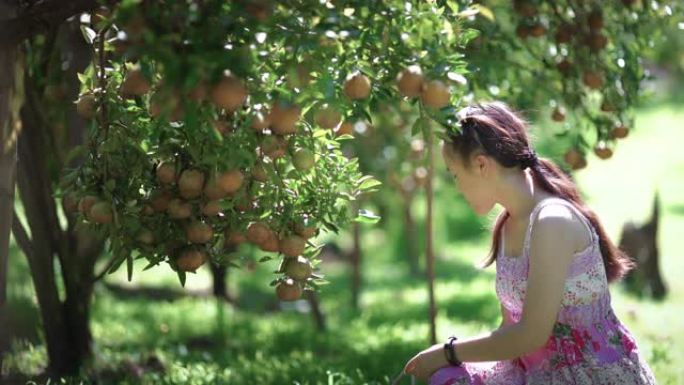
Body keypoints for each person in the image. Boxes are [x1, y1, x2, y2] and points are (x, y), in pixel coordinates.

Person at [402, 101, 657, 384]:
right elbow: (510, 330)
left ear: (481, 164)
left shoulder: (552, 221)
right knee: (446, 378)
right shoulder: (507, 225)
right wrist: (448, 362)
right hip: (536, 373)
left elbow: (532, 334)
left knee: (445, 370)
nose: (457, 186)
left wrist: (447, 351)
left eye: (455, 174)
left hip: (588, 374)